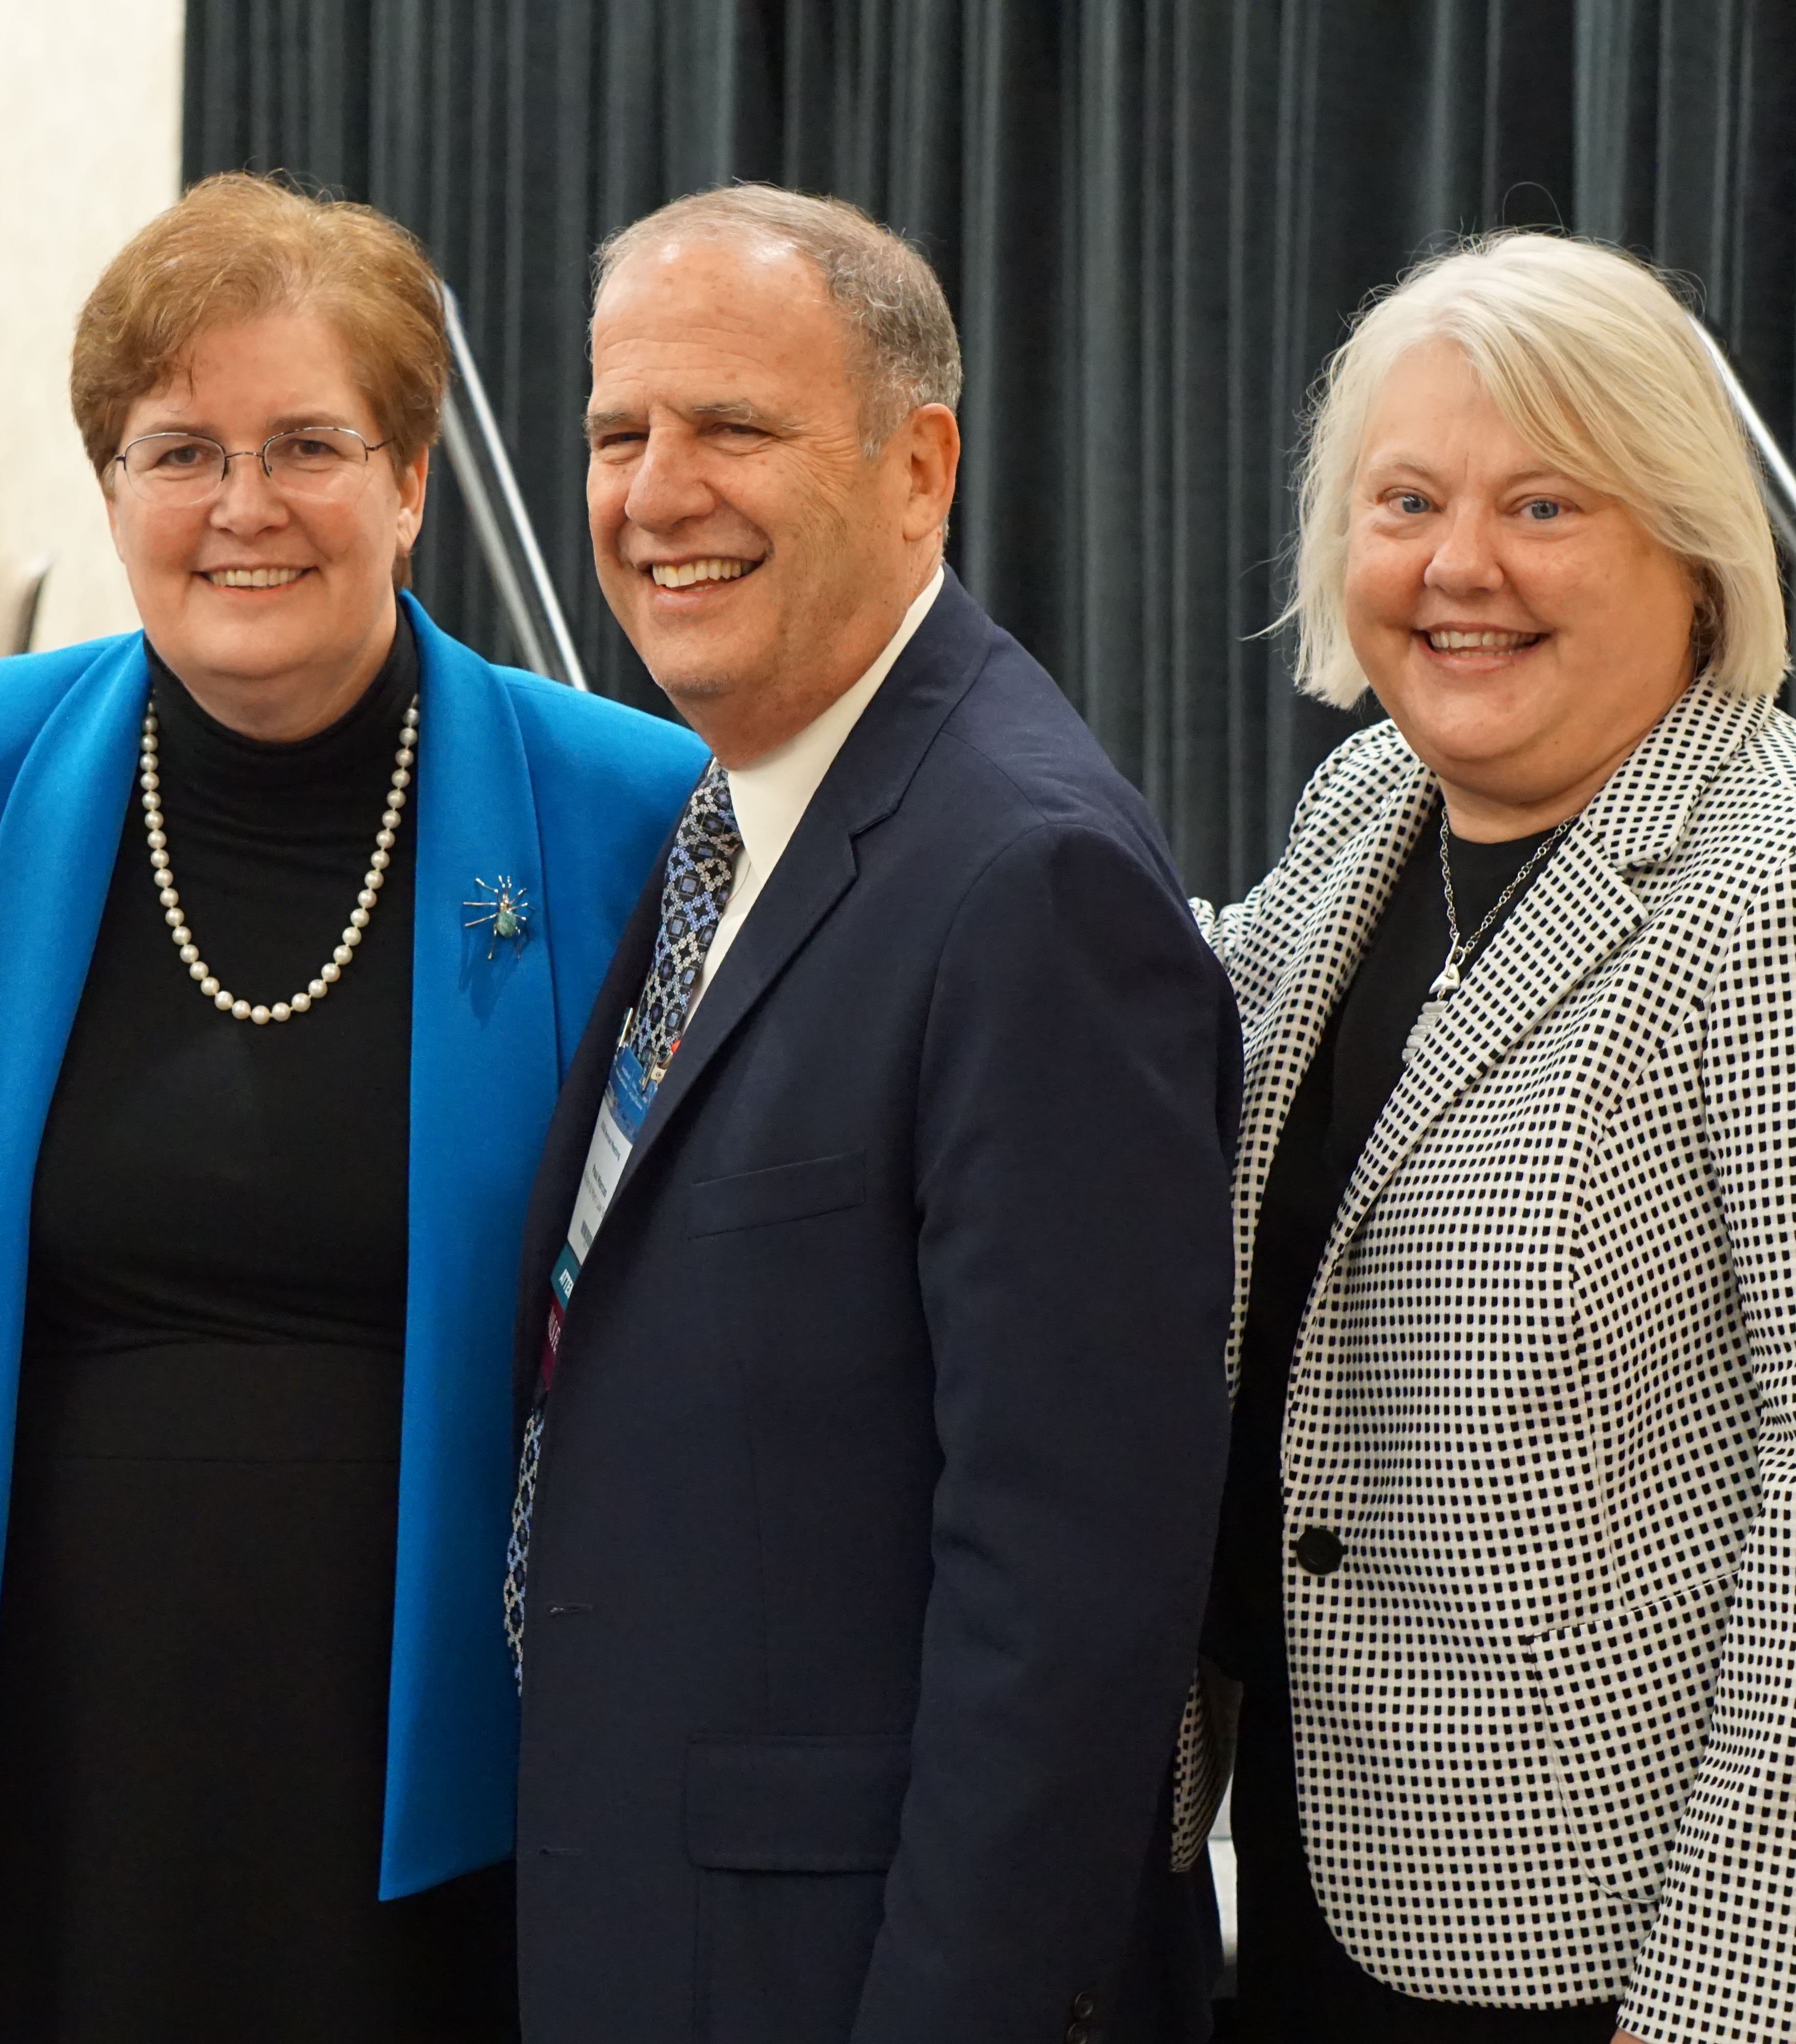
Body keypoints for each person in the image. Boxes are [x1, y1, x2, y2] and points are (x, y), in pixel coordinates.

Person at [0, 171, 702, 2040]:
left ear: (412, 480)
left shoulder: (621, 800)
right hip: (49, 1717)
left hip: (441, 1723)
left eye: (309, 444)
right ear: (112, 488)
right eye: (178, 450)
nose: (245, 507)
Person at [1179, 229, 1796, 2044]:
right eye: (1406, 500)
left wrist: (1737, 2012)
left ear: (1691, 552)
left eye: (1546, 505)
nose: (1461, 567)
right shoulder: (1378, 806)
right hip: (1354, 1867)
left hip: (1671, 1949)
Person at [502, 184, 1240, 2043]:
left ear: (921, 471)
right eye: (617, 432)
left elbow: (1069, 1602)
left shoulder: (1029, 882)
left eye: (733, 427)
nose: (658, 492)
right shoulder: (730, 809)